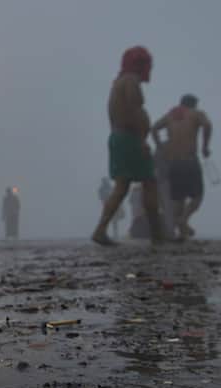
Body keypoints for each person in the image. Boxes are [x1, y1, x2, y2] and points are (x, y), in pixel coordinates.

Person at [92, 46, 162, 246]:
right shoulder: (130, 81)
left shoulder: (119, 83)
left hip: (119, 137)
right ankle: (157, 235)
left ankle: (100, 230)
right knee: (149, 181)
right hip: (130, 138)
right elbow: (134, 109)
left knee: (122, 186)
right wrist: (141, 140)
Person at [151, 94, 212, 240]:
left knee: (179, 198)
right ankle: (183, 220)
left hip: (173, 163)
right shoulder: (196, 113)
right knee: (198, 196)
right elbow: (207, 125)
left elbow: (154, 129)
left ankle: (182, 234)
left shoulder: (170, 115)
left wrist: (159, 145)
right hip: (189, 160)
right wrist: (205, 147)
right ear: (193, 104)